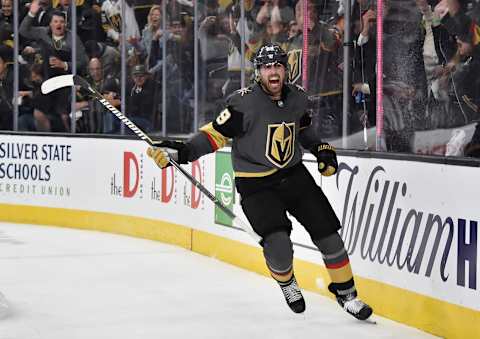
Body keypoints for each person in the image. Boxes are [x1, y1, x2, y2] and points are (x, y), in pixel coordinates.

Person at [146, 43, 373, 320]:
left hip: (294, 175)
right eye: (267, 67)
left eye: (278, 65)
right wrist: (181, 151)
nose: (273, 72)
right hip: (256, 184)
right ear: (258, 72)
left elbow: (302, 129)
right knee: (279, 246)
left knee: (329, 236)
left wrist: (320, 148)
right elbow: (213, 135)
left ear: (285, 69)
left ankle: (347, 295)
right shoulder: (242, 103)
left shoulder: (298, 97)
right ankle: (288, 282)